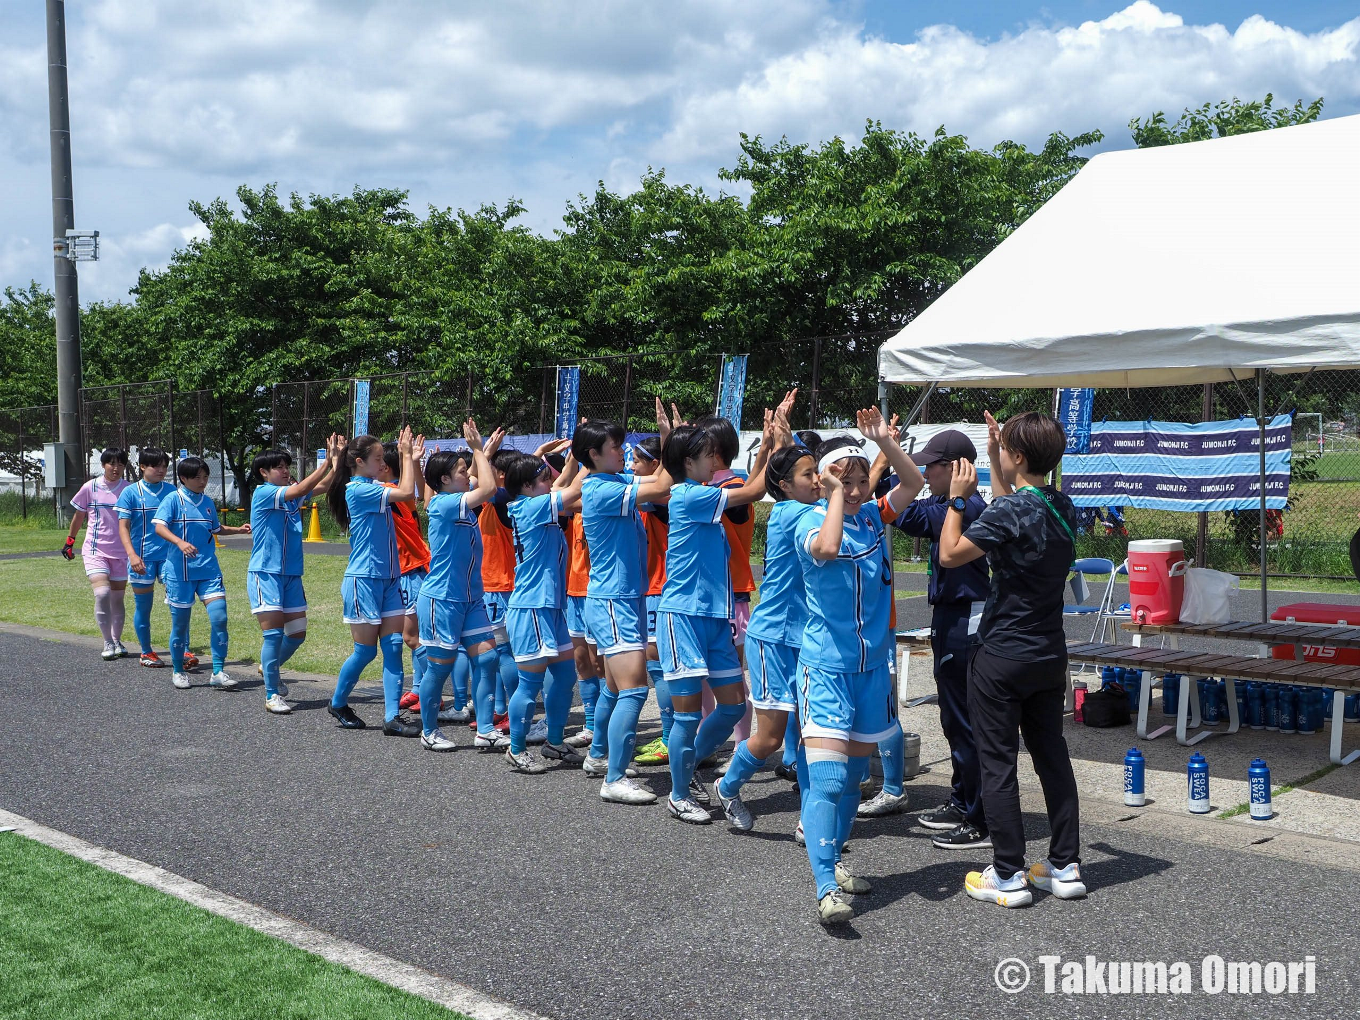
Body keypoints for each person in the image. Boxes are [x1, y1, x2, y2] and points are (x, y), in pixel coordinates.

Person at [937, 410, 1086, 908]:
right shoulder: (1062, 505)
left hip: (1001, 653)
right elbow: (1015, 504)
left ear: (1017, 457)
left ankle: (1008, 874)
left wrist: (957, 500)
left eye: (1003, 450)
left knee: (997, 762)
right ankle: (1065, 866)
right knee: (1052, 756)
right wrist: (1003, 450)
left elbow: (951, 553)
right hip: (1048, 651)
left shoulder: (1009, 511)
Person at [794, 410, 924, 926]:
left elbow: (912, 482)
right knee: (825, 778)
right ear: (824, 481)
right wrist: (831, 492)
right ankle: (825, 885)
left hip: (873, 669)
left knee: (852, 777)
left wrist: (884, 445)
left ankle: (836, 856)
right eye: (841, 481)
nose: (853, 490)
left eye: (857, 481)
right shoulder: (807, 521)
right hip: (825, 668)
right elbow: (827, 548)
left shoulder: (873, 515)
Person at [861, 430, 992, 854]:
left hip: (965, 619)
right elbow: (895, 508)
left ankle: (978, 817)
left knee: (965, 720)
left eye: (931, 465)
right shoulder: (944, 504)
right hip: (950, 617)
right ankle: (961, 801)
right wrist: (885, 453)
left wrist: (887, 454)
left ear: (955, 468)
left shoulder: (966, 506)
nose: (924, 471)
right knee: (954, 720)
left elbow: (904, 514)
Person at [656, 412, 776, 824]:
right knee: (688, 715)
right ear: (688, 463)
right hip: (683, 617)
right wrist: (772, 444)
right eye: (709, 455)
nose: (716, 461)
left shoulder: (702, 491)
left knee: (731, 706)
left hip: (713, 617)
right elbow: (756, 491)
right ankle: (678, 792)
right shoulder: (689, 495)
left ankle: (687, 766)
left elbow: (752, 490)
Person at [714, 420, 818, 831]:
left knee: (813, 732)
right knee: (771, 737)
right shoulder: (793, 513)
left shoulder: (804, 506)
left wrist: (788, 443)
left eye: (815, 472)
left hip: (805, 639)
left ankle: (812, 820)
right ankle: (727, 786)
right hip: (772, 639)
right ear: (786, 486)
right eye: (808, 475)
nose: (817, 479)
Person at [574, 417, 673, 805]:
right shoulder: (598, 488)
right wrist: (668, 440)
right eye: (615, 447)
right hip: (614, 602)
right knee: (633, 689)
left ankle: (599, 757)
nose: (624, 452)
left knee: (614, 691)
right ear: (593, 455)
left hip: (623, 599)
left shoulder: (615, 482)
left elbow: (662, 492)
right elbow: (664, 484)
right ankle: (613, 779)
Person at [326, 427, 425, 735]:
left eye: (385, 458)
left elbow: (414, 493)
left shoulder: (374, 485)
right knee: (366, 652)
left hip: (390, 579)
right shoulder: (358, 489)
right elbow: (406, 492)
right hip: (364, 581)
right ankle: (339, 702)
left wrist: (414, 461)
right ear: (358, 462)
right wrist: (406, 455)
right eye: (378, 458)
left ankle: (392, 717)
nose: (383, 463)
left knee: (394, 645)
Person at [414, 422, 505, 752]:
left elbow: (482, 482)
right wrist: (479, 450)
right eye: (461, 471)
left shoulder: (459, 502)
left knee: (488, 659)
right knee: (439, 669)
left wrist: (485, 450)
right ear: (444, 480)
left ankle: (484, 729)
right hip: (442, 600)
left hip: (471, 599)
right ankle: (428, 730)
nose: (468, 475)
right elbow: (488, 489)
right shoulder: (443, 503)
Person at [502, 450, 588, 772]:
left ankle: (554, 743)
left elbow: (566, 485)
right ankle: (517, 748)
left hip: (551, 607)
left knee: (566, 677)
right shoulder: (530, 507)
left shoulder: (538, 502)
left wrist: (570, 463)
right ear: (526, 486)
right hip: (531, 608)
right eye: (543, 479)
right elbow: (576, 488)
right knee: (530, 685)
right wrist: (587, 454)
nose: (549, 482)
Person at [246, 436, 343, 714]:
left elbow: (320, 486)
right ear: (264, 472)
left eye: (286, 466)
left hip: (291, 574)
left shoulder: (290, 493)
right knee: (273, 636)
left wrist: (335, 463)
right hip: (266, 573)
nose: (285, 470)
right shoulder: (264, 492)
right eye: (278, 467)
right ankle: (272, 693)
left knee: (297, 634)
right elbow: (304, 486)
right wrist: (325, 462)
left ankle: (268, 666)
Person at [153, 456, 252, 689]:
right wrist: (180, 542)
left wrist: (238, 529)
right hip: (180, 574)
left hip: (208, 571)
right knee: (180, 625)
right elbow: (159, 527)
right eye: (197, 477)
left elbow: (215, 528)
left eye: (205, 476)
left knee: (220, 618)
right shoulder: (172, 500)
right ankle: (178, 671)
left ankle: (218, 672)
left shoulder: (207, 502)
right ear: (183, 478)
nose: (202, 481)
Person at [376, 440, 432, 713]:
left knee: (412, 637)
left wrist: (408, 458)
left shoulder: (392, 491)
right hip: (409, 570)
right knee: (415, 635)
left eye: (375, 460)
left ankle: (433, 688)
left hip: (411, 570)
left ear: (384, 467)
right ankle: (420, 688)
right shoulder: (397, 491)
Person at [116, 447, 183, 668]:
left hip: (170, 559)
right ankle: (146, 652)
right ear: (143, 467)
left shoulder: (173, 491)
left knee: (179, 605)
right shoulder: (130, 492)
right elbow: (123, 527)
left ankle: (184, 651)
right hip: (142, 559)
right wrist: (132, 555)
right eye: (156, 465)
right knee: (143, 607)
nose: (161, 470)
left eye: (164, 466)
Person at [63, 448, 131, 661]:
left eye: (120, 464)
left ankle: (117, 640)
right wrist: (69, 542)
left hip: (121, 552)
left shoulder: (129, 490)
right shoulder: (90, 487)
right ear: (103, 465)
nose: (116, 468)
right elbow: (79, 515)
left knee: (118, 598)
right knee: (102, 594)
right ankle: (107, 642)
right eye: (111, 463)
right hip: (95, 550)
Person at [632, 434, 673, 766]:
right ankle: (671, 736)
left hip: (660, 590)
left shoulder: (662, 497)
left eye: (636, 460)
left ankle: (671, 739)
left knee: (659, 669)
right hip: (649, 590)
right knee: (656, 668)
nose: (632, 466)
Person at [563, 505, 603, 747]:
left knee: (600, 663)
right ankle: (589, 725)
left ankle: (603, 725)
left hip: (596, 591)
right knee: (581, 660)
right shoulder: (573, 506)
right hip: (574, 589)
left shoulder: (603, 495)